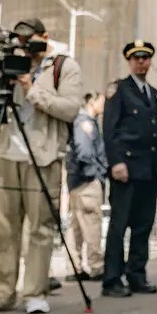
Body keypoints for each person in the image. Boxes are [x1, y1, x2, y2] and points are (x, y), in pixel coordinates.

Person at [0, 19, 83, 314]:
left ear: (44, 38)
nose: (24, 48)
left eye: (30, 41)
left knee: (40, 229)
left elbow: (70, 110)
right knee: (2, 229)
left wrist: (31, 88)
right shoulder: (8, 62)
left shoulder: (63, 66)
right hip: (7, 154)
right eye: (20, 42)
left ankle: (34, 292)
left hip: (44, 156)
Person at [102, 40, 157, 298]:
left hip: (149, 170)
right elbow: (110, 129)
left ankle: (137, 275)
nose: (141, 62)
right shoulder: (118, 90)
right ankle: (112, 279)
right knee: (119, 226)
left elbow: (156, 131)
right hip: (126, 168)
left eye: (145, 57)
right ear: (129, 61)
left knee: (142, 226)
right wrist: (116, 162)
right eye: (136, 58)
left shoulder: (153, 93)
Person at [65, 92, 108, 282]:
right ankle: (96, 265)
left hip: (77, 181)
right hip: (86, 181)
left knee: (77, 226)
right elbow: (84, 151)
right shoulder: (86, 123)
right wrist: (97, 172)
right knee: (91, 224)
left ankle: (74, 267)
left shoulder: (81, 121)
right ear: (93, 101)